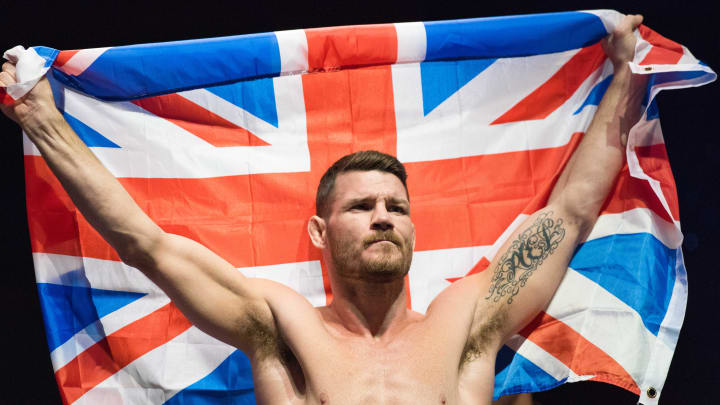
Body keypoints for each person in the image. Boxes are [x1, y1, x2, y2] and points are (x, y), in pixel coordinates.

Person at [0, 15, 647, 405]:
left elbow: (567, 212)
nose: (384, 216)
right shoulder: (278, 326)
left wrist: (626, 74)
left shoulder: (466, 319)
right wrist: (41, 120)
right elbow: (147, 243)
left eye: (396, 205)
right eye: (362, 205)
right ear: (318, 229)